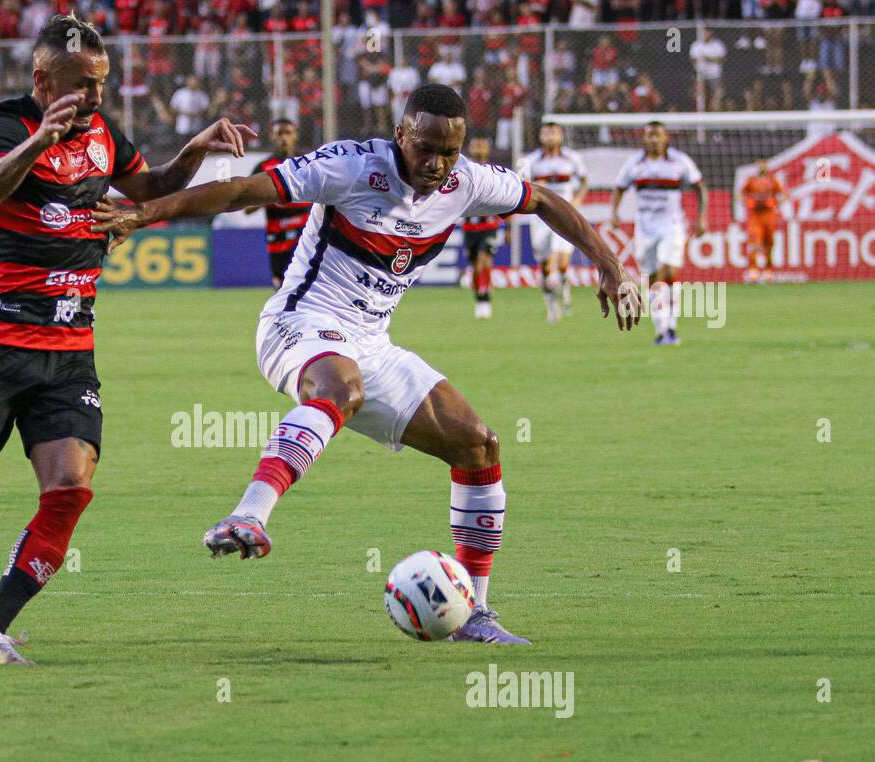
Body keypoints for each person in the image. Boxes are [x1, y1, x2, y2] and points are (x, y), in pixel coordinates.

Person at [94, 85, 641, 646]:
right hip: (299, 323)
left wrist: (609, 264)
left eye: (448, 152)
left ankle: (474, 611)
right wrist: (144, 213)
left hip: (372, 344)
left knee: (478, 444)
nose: (435, 164)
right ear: (401, 134)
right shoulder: (352, 166)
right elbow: (241, 190)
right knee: (340, 385)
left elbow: (544, 199)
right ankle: (248, 515)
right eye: (424, 148)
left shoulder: (467, 182)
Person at [0, 14, 256, 665]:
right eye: (82, 83)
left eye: (102, 82)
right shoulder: (8, 124)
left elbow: (149, 187)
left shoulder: (102, 132)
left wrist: (197, 148)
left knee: (69, 488)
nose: (95, 96)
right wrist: (39, 141)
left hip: (69, 352)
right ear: (43, 79)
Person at [610, 121, 707, 346]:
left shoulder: (679, 161)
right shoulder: (634, 163)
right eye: (649, 136)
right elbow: (619, 188)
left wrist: (701, 217)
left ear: (666, 138)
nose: (653, 139)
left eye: (658, 135)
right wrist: (613, 212)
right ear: (644, 139)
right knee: (653, 277)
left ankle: (671, 326)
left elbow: (699, 187)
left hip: (671, 224)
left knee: (669, 270)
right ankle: (662, 328)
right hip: (644, 226)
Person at [517, 123, 588, 323]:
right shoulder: (530, 161)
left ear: (561, 135)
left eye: (554, 132)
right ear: (540, 136)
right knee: (545, 266)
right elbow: (520, 187)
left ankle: (562, 287)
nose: (550, 136)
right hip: (539, 218)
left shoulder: (572, 159)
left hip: (564, 216)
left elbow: (583, 182)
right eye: (546, 132)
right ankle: (551, 306)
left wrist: (578, 201)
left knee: (561, 262)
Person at [246, 118, 312, 288]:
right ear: (272, 137)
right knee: (281, 285)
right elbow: (246, 207)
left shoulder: (308, 162)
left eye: (288, 133)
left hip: (305, 232)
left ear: (295, 136)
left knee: (309, 282)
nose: (284, 138)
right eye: (279, 134)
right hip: (277, 233)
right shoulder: (264, 167)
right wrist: (273, 194)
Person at [460, 137, 501, 319]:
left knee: (485, 259)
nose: (478, 148)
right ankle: (479, 297)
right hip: (470, 227)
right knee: (476, 266)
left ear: (487, 149)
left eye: (481, 145)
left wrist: (507, 227)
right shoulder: (462, 171)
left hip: (489, 225)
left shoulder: (494, 172)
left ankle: (486, 298)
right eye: (475, 145)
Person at [740, 159, 785, 283]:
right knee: (754, 243)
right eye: (760, 165)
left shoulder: (773, 181)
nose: (762, 167)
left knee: (769, 244)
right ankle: (753, 271)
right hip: (755, 216)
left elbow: (784, 195)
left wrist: (774, 203)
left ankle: (768, 271)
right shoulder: (751, 181)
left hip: (769, 215)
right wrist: (749, 203)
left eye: (764, 165)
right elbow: (740, 195)